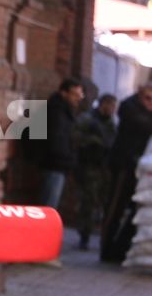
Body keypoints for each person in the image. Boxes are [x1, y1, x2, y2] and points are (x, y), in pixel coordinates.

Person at [99, 82, 152, 264]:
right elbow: (149, 126)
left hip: (140, 166)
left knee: (138, 209)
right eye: (148, 99)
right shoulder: (129, 108)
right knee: (115, 208)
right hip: (123, 165)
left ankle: (120, 248)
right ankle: (106, 250)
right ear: (140, 95)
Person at [73, 93, 118, 250]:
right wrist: (92, 141)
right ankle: (84, 236)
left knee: (105, 202)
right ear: (102, 104)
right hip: (89, 167)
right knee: (88, 203)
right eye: (109, 105)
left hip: (105, 167)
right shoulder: (88, 119)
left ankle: (103, 237)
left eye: (113, 106)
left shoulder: (113, 123)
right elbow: (74, 136)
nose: (111, 109)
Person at [38, 77, 85, 209]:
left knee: (51, 203)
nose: (78, 98)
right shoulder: (57, 112)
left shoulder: (63, 110)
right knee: (49, 206)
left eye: (80, 94)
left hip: (58, 164)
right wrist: (68, 159)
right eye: (75, 94)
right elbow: (56, 141)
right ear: (64, 93)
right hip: (54, 164)